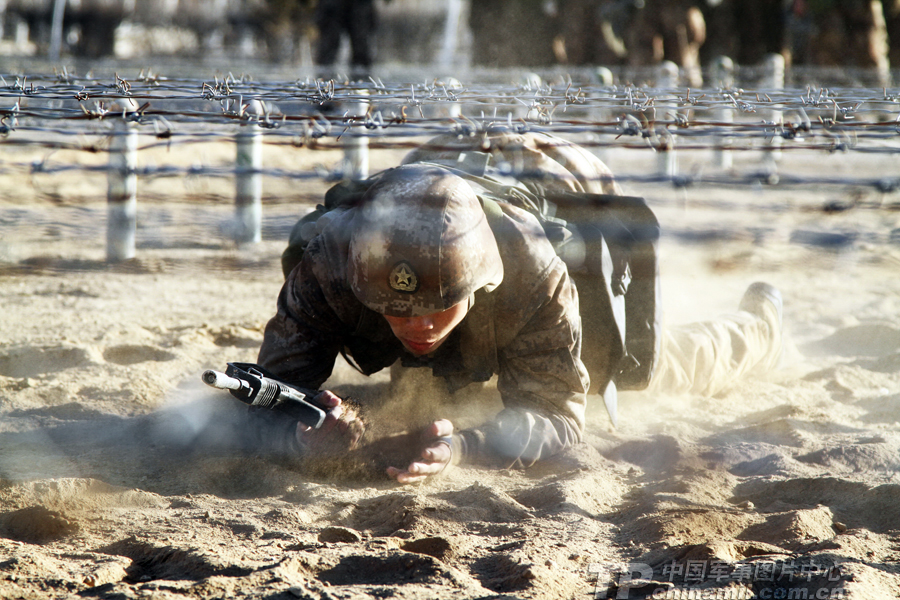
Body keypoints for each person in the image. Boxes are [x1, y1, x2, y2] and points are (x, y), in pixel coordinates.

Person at [256, 130, 783, 484]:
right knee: (430, 380)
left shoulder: (535, 272)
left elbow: (558, 414)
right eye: (397, 309)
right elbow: (265, 392)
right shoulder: (331, 261)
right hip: (441, 168)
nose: (418, 326)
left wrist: (466, 448)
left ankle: (761, 326)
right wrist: (298, 436)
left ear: (477, 285)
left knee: (648, 368)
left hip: (561, 180)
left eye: (437, 308)